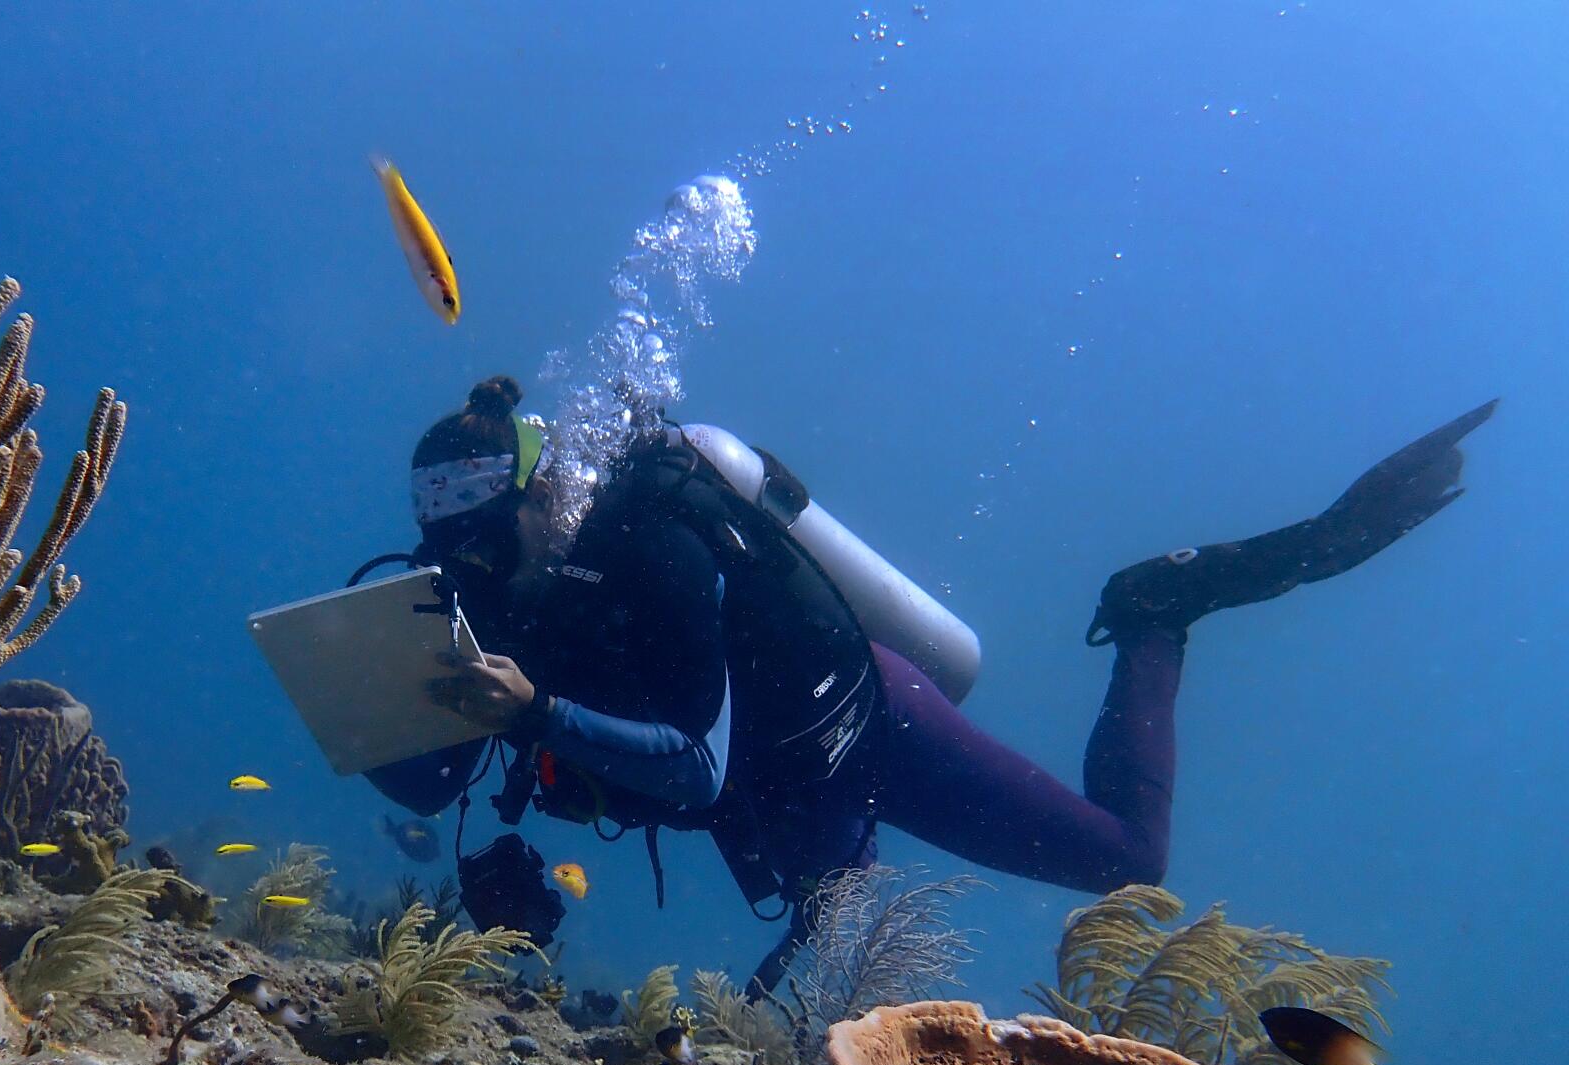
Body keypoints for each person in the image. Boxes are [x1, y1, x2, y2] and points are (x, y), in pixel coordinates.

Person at [366, 375, 1495, 994]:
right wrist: (376, 698)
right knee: (826, 924)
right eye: (447, 547)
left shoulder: (644, 544)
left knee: (1122, 859)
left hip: (861, 725)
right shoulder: (492, 601)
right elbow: (435, 788)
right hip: (775, 799)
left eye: (479, 534)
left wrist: (536, 712)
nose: (463, 566)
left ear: (533, 497)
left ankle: (1155, 613)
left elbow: (694, 758)